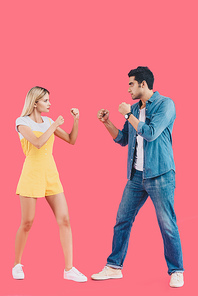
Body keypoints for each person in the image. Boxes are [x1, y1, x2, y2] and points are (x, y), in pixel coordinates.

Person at [91, 66, 184, 287]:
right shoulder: (134, 108)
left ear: (143, 84)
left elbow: (150, 133)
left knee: (167, 224)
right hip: (136, 175)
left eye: (131, 83)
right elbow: (124, 139)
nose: (128, 89)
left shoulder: (165, 104)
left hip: (160, 174)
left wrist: (127, 114)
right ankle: (114, 267)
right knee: (122, 220)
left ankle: (177, 270)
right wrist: (107, 123)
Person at [13, 86, 87, 282]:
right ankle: (17, 264)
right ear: (35, 102)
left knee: (65, 220)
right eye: (46, 100)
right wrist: (54, 126)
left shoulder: (48, 122)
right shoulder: (22, 122)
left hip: (51, 175)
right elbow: (37, 143)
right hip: (31, 174)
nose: (50, 103)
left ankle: (69, 269)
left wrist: (76, 119)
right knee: (27, 223)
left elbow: (71, 140)